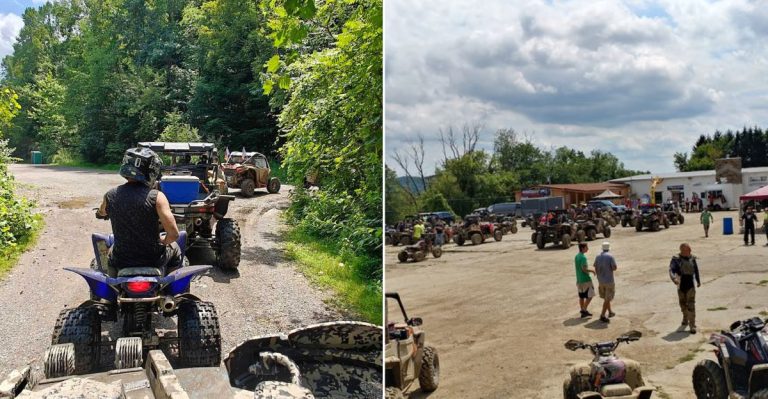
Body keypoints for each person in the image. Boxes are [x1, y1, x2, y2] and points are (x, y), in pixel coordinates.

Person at [97, 148, 183, 277]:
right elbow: (174, 234)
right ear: (152, 171)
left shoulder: (110, 195)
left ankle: (113, 288)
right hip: (153, 259)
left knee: (109, 255)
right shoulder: (158, 197)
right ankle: (172, 288)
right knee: (175, 248)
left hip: (122, 259)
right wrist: (163, 241)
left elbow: (102, 212)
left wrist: (100, 213)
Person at [669, 243, 701, 334]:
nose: (690, 252)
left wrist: (698, 281)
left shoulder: (692, 258)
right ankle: (685, 317)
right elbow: (671, 270)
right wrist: (674, 279)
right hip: (681, 285)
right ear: (682, 251)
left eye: (690, 250)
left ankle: (692, 325)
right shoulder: (676, 259)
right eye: (688, 250)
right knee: (682, 304)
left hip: (690, 285)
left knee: (691, 304)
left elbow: (696, 270)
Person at [593, 241, 617, 323]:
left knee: (606, 298)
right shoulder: (610, 256)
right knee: (608, 298)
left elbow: (595, 267)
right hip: (609, 280)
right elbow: (614, 268)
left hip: (601, 281)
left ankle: (610, 312)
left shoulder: (597, 256)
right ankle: (602, 315)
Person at [574, 242, 595, 318]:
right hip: (585, 280)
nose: (588, 248)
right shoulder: (583, 257)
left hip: (579, 280)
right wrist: (592, 271)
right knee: (591, 295)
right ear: (583, 248)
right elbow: (584, 269)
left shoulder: (577, 256)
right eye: (586, 247)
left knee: (581, 296)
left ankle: (583, 312)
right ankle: (584, 309)